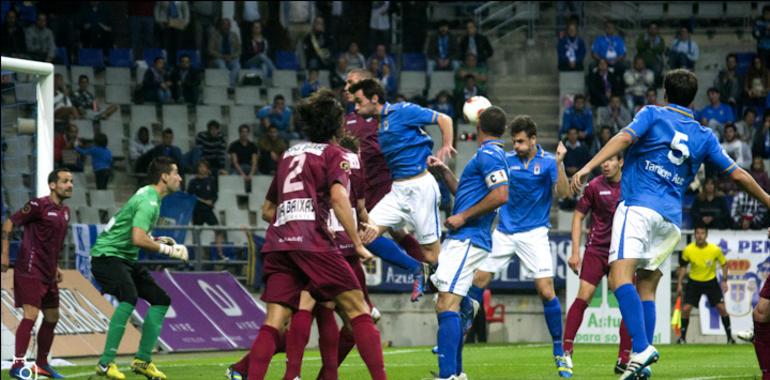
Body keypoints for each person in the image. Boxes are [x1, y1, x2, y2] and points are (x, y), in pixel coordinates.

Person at [570, 69, 770, 379]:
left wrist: (588, 167)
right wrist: (769, 200)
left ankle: (640, 347)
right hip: (671, 220)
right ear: (694, 99)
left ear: (665, 94)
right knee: (646, 287)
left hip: (637, 207)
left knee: (618, 278)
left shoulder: (652, 113)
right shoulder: (704, 135)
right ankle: (639, 363)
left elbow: (624, 138)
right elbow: (739, 175)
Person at [241, 89, 386, 380]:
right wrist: (356, 243)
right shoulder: (335, 154)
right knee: (359, 309)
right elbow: (338, 197)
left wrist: (293, 220)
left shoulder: (288, 154)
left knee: (274, 320)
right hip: (313, 242)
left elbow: (268, 209)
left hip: (279, 242)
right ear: (336, 126)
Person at [466, 115, 570, 377]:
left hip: (535, 234)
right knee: (478, 280)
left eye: (522, 141)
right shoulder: (507, 160)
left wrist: (559, 164)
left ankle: (560, 351)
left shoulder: (547, 162)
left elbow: (565, 193)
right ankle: (459, 332)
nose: (517, 145)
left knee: (546, 291)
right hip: (504, 232)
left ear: (533, 139)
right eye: (514, 141)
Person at [426, 107, 510, 380]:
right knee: (449, 302)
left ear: (478, 125)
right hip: (465, 238)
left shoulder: (490, 154)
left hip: (469, 238)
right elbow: (467, 193)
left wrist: (462, 216)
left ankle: (448, 374)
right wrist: (444, 172)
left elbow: (500, 195)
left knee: (445, 304)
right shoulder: (489, 154)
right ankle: (456, 372)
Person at [91, 157, 187, 380]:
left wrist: (156, 240)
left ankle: (143, 360)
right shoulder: (149, 202)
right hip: (106, 257)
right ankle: (105, 363)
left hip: (123, 258)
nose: (180, 178)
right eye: (176, 173)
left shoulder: (148, 194)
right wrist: (168, 251)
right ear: (164, 176)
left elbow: (133, 230)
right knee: (129, 296)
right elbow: (136, 238)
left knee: (161, 299)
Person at [349, 78, 455, 270]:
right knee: (365, 233)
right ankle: (417, 270)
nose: (355, 108)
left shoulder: (402, 110)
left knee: (431, 255)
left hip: (420, 187)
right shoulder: (379, 123)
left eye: (359, 101)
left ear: (374, 98)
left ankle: (462, 299)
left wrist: (446, 145)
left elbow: (444, 119)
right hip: (397, 190)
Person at [342, 69, 428, 303]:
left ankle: (418, 270)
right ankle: (432, 271)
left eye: (351, 83)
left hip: (384, 184)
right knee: (395, 233)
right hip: (362, 188)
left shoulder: (386, 115)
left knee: (363, 236)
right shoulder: (347, 119)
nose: (345, 87)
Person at [565, 153, 633, 374]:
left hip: (621, 253)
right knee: (583, 296)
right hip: (596, 250)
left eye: (611, 160)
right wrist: (575, 252)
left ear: (621, 162)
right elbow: (577, 217)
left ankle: (624, 357)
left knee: (627, 304)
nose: (605, 164)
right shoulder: (594, 186)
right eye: (604, 160)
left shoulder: (633, 184)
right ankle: (566, 351)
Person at [2, 169, 72, 380]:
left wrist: (56, 265)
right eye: (65, 181)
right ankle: (17, 366)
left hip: (49, 272)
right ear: (52, 185)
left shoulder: (65, 211)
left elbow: (53, 242)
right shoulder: (37, 205)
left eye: (71, 182)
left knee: (52, 317)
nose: (70, 185)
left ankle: (42, 365)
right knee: (30, 315)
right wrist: (4, 253)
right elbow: (9, 222)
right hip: (30, 269)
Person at [677, 226, 735, 344]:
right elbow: (683, 267)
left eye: (702, 233)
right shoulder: (688, 250)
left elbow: (724, 264)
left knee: (722, 308)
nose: (699, 235)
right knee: (686, 309)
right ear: (694, 235)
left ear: (706, 235)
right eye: (697, 233)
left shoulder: (714, 250)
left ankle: (729, 338)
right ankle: (682, 338)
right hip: (694, 282)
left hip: (710, 281)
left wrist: (724, 280)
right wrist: (679, 283)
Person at [187, 159, 226, 260]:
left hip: (208, 211)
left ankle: (220, 254)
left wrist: (212, 201)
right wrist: (202, 201)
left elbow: (215, 195)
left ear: (207, 168)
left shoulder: (211, 181)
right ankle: (197, 256)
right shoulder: (193, 182)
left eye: (204, 166)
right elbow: (190, 196)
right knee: (196, 233)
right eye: (200, 166)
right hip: (197, 211)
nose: (202, 168)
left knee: (218, 230)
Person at [208, 17, 241, 90]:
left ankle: (231, 84)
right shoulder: (214, 35)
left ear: (230, 26)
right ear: (220, 26)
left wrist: (232, 56)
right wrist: (222, 56)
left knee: (237, 65)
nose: (226, 26)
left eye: (227, 25)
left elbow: (239, 50)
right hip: (218, 58)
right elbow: (210, 50)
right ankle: (225, 84)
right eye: (224, 24)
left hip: (231, 58)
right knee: (221, 65)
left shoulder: (234, 35)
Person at [154, 1, 190, 66]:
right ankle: (164, 62)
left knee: (177, 44)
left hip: (178, 23)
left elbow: (186, 10)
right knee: (165, 44)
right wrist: (158, 20)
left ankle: (177, 63)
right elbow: (157, 8)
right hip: (164, 22)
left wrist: (185, 23)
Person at [636, 22, 665, 87]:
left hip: (655, 60)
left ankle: (653, 85)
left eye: (655, 28)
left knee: (657, 68)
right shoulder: (642, 37)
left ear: (657, 30)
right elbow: (639, 47)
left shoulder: (660, 39)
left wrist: (650, 47)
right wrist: (646, 43)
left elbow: (661, 49)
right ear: (648, 29)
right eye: (651, 28)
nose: (653, 30)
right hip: (643, 58)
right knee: (639, 65)